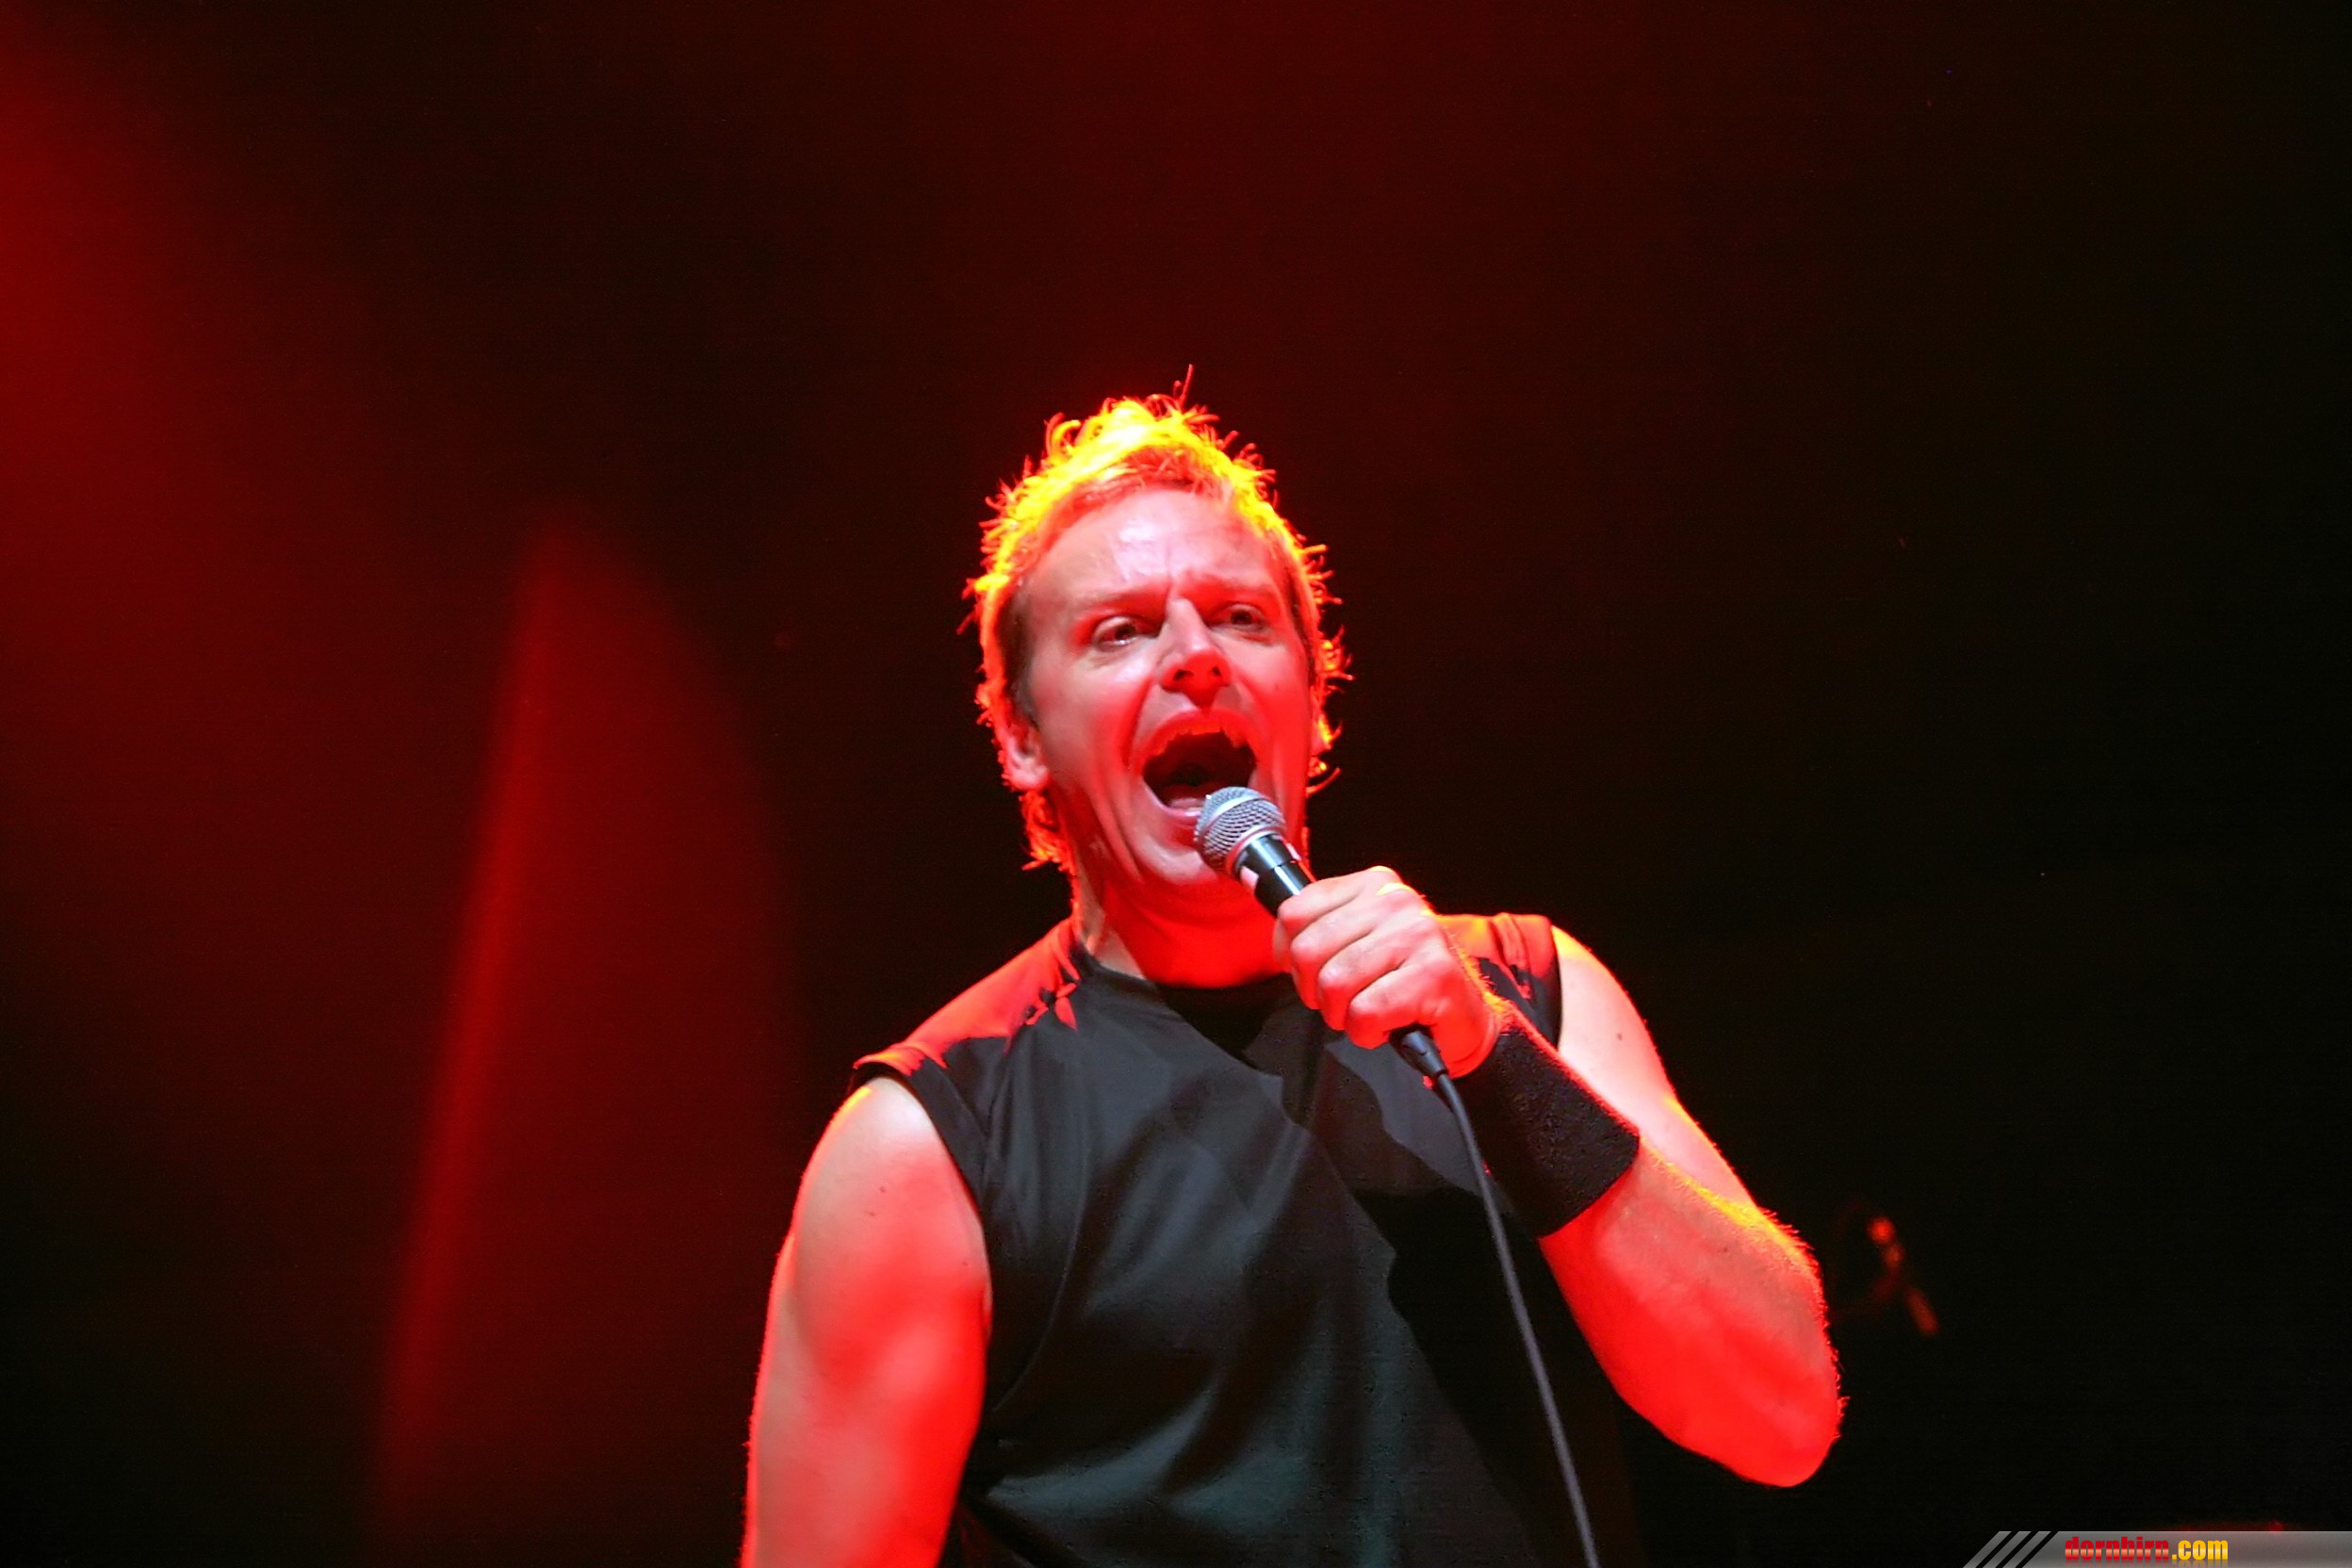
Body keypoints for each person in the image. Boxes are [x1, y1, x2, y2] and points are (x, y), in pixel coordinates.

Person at [743, 396, 1841, 1566]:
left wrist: (1492, 1052)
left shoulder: (1528, 987)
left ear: (1315, 699)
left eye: (1240, 617)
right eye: (1120, 631)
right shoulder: (933, 1146)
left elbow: (1782, 1418)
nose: (1196, 655)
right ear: (1021, 737)